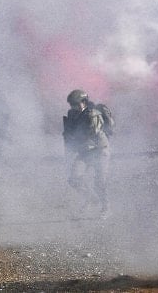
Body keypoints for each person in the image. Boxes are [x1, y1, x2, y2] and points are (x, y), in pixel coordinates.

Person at [62, 89, 109, 218]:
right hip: (84, 151)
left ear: (83, 102)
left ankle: (105, 208)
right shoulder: (72, 114)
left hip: (99, 151)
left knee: (100, 182)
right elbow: (68, 134)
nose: (73, 106)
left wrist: (77, 137)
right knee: (74, 178)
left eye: (75, 103)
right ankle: (90, 198)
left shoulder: (93, 114)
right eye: (71, 104)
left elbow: (94, 132)